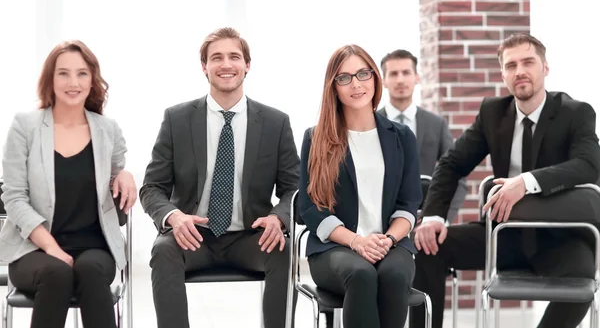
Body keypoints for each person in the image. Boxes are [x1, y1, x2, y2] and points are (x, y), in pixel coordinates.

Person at [410, 33, 600, 328]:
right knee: (426, 245)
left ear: (545, 68)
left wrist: (526, 182)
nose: (519, 71)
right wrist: (435, 216)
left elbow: (588, 165)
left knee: (581, 287)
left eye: (528, 62)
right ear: (503, 75)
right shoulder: (492, 113)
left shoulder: (575, 113)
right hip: (503, 236)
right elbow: (451, 164)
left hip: (560, 238)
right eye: (511, 66)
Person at [139, 27, 299, 328]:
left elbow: (295, 188)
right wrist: (174, 217)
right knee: (163, 250)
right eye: (217, 58)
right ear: (204, 67)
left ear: (247, 65)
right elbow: (151, 188)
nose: (226, 64)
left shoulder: (276, 123)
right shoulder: (177, 119)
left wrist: (279, 218)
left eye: (234, 57)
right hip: (192, 236)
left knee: (282, 249)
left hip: (250, 236)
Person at [0, 40, 136, 328]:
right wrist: (52, 248)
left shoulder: (107, 130)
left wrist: (124, 174)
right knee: (57, 272)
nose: (72, 82)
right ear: (50, 78)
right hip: (33, 249)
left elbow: (115, 176)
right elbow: (14, 197)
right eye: (63, 73)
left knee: (89, 271)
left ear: (92, 80)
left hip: (94, 248)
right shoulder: (25, 127)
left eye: (82, 73)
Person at [298, 44, 422, 328]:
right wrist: (356, 241)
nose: (356, 84)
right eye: (344, 78)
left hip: (390, 243)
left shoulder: (402, 137)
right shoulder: (315, 138)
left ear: (375, 79)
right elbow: (311, 208)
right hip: (334, 249)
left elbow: (409, 204)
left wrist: (387, 240)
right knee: (362, 273)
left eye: (363, 74)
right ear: (334, 87)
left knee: (393, 276)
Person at [378, 49, 467, 223]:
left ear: (417, 77)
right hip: (379, 222)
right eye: (394, 74)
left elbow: (457, 175)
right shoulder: (372, 123)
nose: (400, 79)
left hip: (425, 222)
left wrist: (440, 218)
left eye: (406, 72)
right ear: (384, 81)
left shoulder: (436, 124)